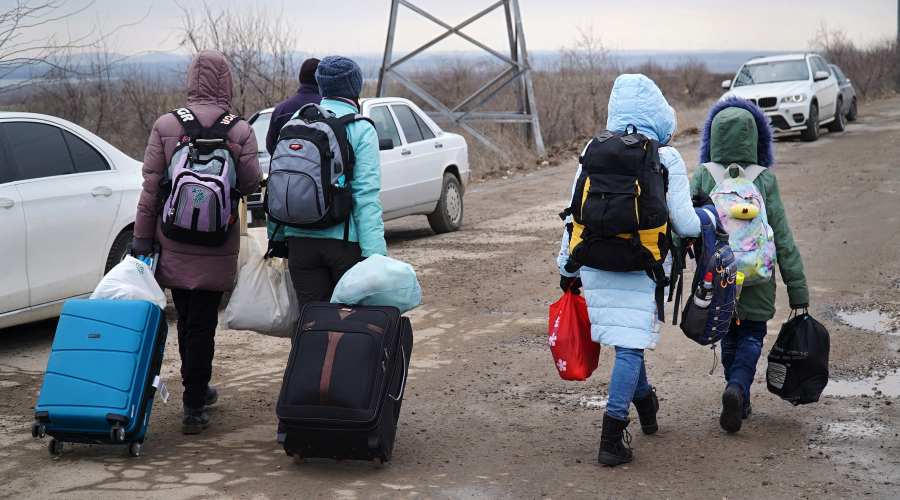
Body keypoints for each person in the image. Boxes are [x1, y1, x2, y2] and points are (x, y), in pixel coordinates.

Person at [557, 74, 700, 466]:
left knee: (626, 341)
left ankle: (647, 405)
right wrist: (708, 221)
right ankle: (611, 436)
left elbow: (574, 214)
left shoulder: (593, 148)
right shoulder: (666, 157)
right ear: (659, 114)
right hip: (645, 266)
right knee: (631, 345)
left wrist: (565, 266)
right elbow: (686, 225)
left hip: (596, 262)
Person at [133, 49, 262, 434]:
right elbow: (253, 182)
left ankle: (197, 389)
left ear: (191, 81)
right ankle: (193, 404)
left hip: (171, 238)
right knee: (203, 322)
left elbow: (151, 189)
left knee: (185, 318)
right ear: (227, 83)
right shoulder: (239, 129)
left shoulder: (166, 124)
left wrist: (142, 238)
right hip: (216, 241)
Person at [691, 96, 808, 433]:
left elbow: (683, 222)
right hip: (758, 277)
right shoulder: (764, 179)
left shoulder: (703, 175)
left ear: (712, 138)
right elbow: (782, 237)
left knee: (727, 333)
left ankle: (735, 391)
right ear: (757, 138)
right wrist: (798, 289)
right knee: (753, 335)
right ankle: (739, 389)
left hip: (718, 276)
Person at [268, 55, 387, 308]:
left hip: (299, 242)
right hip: (344, 243)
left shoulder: (294, 122)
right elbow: (365, 195)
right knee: (351, 323)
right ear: (355, 87)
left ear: (322, 86)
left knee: (312, 323)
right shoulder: (361, 128)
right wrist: (375, 254)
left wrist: (276, 238)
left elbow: (279, 184)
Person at [265, 58, 322, 155]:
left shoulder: (281, 110)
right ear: (321, 79)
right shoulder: (325, 108)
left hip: (286, 167)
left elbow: (271, 146)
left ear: (300, 78)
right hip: (318, 168)